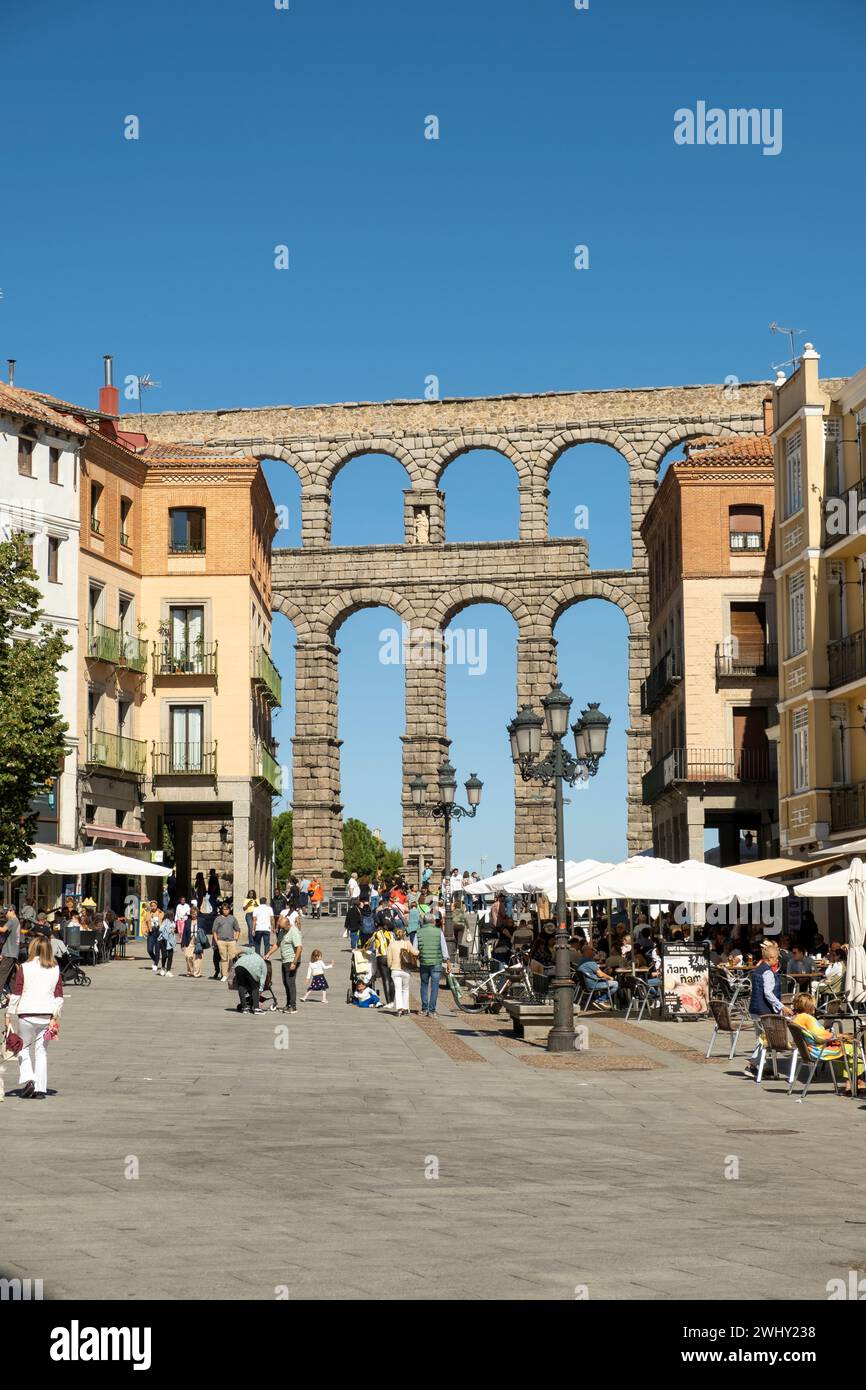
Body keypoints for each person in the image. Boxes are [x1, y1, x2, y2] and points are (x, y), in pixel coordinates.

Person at [5, 934, 63, 1098]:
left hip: (26, 1014)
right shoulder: (55, 968)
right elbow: (59, 995)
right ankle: (40, 1089)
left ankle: (29, 1078)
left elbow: (17, 993)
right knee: (41, 1051)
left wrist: (8, 1014)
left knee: (22, 1048)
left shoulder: (25, 967)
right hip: (46, 1015)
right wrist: (55, 1015)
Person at [790, 992, 865, 1096]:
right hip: (818, 1050)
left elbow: (816, 1035)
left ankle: (854, 1081)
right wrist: (838, 1036)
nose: (815, 1007)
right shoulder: (807, 1018)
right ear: (808, 1006)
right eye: (813, 1004)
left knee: (845, 1047)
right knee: (853, 1048)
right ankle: (854, 1081)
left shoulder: (796, 1018)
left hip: (808, 1050)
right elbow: (821, 1036)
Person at [745, 939, 790, 1077]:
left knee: (761, 1038)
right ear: (770, 958)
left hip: (755, 1009)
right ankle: (752, 1065)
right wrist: (782, 1006)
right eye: (776, 958)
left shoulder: (758, 969)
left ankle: (765, 1067)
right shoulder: (768, 972)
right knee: (766, 1038)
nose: (777, 960)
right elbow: (768, 993)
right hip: (764, 1010)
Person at [416, 910, 450, 1018]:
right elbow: (444, 948)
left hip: (424, 962)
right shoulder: (439, 932)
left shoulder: (418, 932)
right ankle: (432, 1010)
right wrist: (448, 962)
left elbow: (414, 949)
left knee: (424, 985)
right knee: (435, 986)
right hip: (436, 962)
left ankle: (424, 1009)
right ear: (433, 921)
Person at [267, 909, 302, 1012]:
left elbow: (299, 948)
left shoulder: (294, 932)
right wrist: (268, 954)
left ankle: (293, 1006)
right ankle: (288, 1004)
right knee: (285, 982)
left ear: (288, 924)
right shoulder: (283, 931)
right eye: (280, 927)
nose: (281, 929)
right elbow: (277, 944)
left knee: (290, 983)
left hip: (292, 961)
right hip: (285, 960)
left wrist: (294, 963)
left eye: (283, 927)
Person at [384, 927, 417, 1016]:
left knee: (397, 989)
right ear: (403, 935)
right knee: (405, 989)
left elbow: (389, 959)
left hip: (395, 970)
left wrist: (391, 966)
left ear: (395, 935)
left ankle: (399, 1009)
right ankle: (406, 1008)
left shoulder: (391, 944)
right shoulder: (407, 943)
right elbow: (415, 952)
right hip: (406, 970)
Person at [234, 944, 268, 1014]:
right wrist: (259, 993)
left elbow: (244, 949)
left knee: (241, 986)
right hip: (251, 968)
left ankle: (244, 1008)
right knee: (255, 987)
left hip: (238, 964)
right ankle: (256, 1008)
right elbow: (262, 980)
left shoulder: (253, 953)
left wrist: (236, 956)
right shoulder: (263, 964)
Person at [213, 903, 241, 982]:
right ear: (222, 910)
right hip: (221, 941)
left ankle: (231, 974)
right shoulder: (218, 919)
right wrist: (217, 941)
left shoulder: (233, 918)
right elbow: (214, 931)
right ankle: (224, 975)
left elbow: (238, 929)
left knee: (232, 958)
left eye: (227, 909)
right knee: (223, 959)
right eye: (224, 909)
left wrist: (236, 939)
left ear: (229, 910)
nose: (225, 911)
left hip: (231, 941)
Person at [0, 905, 22, 1000]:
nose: (5, 915)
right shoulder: (16, 921)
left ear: (12, 911)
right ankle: (15, 998)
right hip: (12, 953)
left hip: (9, 954)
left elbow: (3, 930)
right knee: (10, 979)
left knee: (1, 977)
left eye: (6, 913)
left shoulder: (12, 920)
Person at [157, 912, 178, 977]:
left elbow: (173, 930)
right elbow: (160, 929)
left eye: (173, 915)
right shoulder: (165, 921)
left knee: (170, 956)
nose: (172, 917)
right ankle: (163, 968)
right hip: (164, 940)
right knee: (164, 955)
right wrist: (169, 930)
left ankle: (168, 971)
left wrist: (173, 931)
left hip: (171, 940)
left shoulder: (173, 922)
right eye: (171, 915)